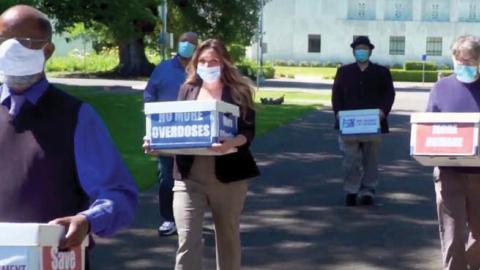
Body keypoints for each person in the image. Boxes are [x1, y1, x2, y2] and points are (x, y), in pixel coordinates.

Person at [0, 5, 138, 268]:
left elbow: (118, 193)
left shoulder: (76, 117)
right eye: (3, 41)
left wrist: (88, 220)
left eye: (24, 42)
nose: (10, 49)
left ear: (48, 51)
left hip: (55, 259)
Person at [143, 38, 259, 270]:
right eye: (203, 61)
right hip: (188, 176)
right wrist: (158, 143)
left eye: (214, 60)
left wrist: (231, 143)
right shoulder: (187, 89)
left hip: (229, 177)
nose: (208, 65)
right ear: (196, 63)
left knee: (227, 237)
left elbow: (248, 131)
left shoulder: (239, 91)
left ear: (225, 62)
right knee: (187, 239)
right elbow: (177, 127)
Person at [426, 35, 480, 270]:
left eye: (469, 61)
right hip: (449, 174)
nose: (463, 65)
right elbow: (427, 130)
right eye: (459, 60)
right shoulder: (441, 88)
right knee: (452, 236)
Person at [144, 31, 198, 237]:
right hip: (166, 132)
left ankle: (189, 219)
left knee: (192, 179)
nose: (187, 45)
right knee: (166, 178)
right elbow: (149, 94)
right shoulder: (163, 68)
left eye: (191, 42)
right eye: (184, 41)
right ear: (178, 43)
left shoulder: (199, 70)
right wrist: (152, 119)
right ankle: (168, 219)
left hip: (193, 133)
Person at [331, 36, 395, 206]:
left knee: (370, 159)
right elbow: (336, 94)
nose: (361, 52)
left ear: (370, 51)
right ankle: (351, 189)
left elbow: (389, 94)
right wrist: (337, 113)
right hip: (349, 124)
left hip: (373, 123)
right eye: (358, 49)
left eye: (364, 49)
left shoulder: (381, 72)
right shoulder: (344, 72)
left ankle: (368, 190)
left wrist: (383, 111)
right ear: (353, 51)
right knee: (349, 159)